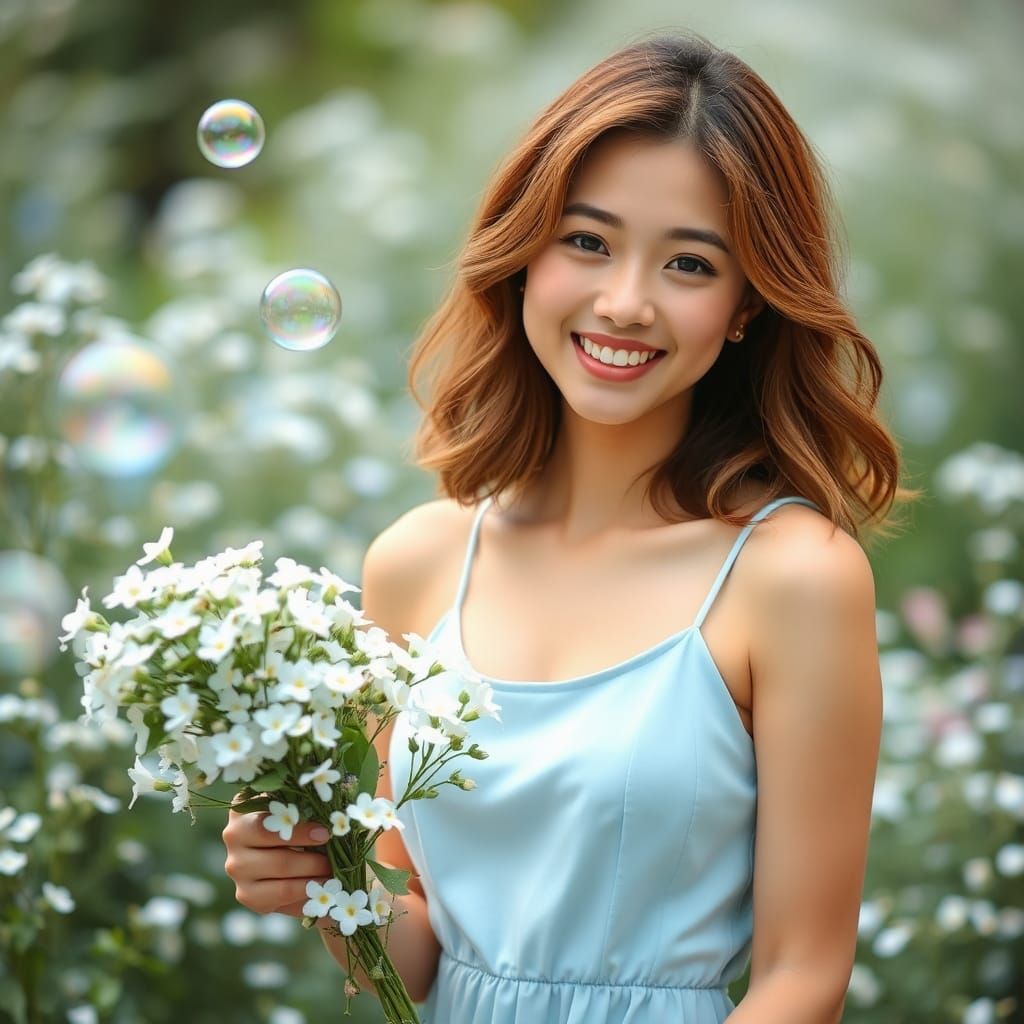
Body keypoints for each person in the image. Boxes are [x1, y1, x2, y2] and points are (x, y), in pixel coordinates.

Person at [222, 31, 917, 1023]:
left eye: (687, 262)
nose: (623, 302)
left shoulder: (794, 575)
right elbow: (416, 943)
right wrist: (312, 875)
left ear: (744, 308)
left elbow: (803, 975)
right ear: (523, 253)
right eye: (586, 241)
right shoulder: (417, 563)